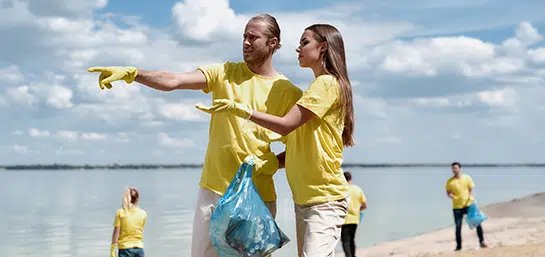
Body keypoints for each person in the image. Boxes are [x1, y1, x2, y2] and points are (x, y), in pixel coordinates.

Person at [88, 13, 303, 257]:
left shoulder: (287, 92)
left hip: (256, 195)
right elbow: (174, 80)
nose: (245, 42)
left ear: (272, 43)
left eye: (253, 37)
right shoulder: (224, 72)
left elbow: (302, 147)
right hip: (213, 190)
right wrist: (134, 73)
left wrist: (274, 163)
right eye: (244, 36)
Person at [196, 23, 355, 257]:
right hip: (306, 200)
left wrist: (243, 111)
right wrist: (270, 163)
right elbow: (300, 148)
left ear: (322, 47)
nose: (298, 48)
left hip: (326, 199)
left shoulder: (326, 84)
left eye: (304, 42)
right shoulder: (316, 87)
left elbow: (286, 124)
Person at [445, 162, 488, 251]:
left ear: (460, 169)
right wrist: (453, 197)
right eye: (453, 168)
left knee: (477, 222)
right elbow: (449, 193)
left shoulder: (467, 178)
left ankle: (482, 242)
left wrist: (471, 197)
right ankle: (459, 246)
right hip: (457, 207)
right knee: (458, 226)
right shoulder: (450, 181)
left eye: (456, 168)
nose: (454, 170)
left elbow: (471, 188)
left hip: (469, 205)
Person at [110, 187, 147, 257]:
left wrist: (112, 249)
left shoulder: (120, 213)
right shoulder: (143, 214)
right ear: (137, 199)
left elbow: (116, 233)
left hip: (125, 249)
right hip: (139, 248)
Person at [340, 171, 367, 257]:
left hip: (344, 219)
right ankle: (353, 255)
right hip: (355, 219)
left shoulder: (342, 190)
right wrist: (358, 210)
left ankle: (348, 256)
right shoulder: (358, 189)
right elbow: (365, 205)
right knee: (352, 240)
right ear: (351, 178)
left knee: (345, 241)